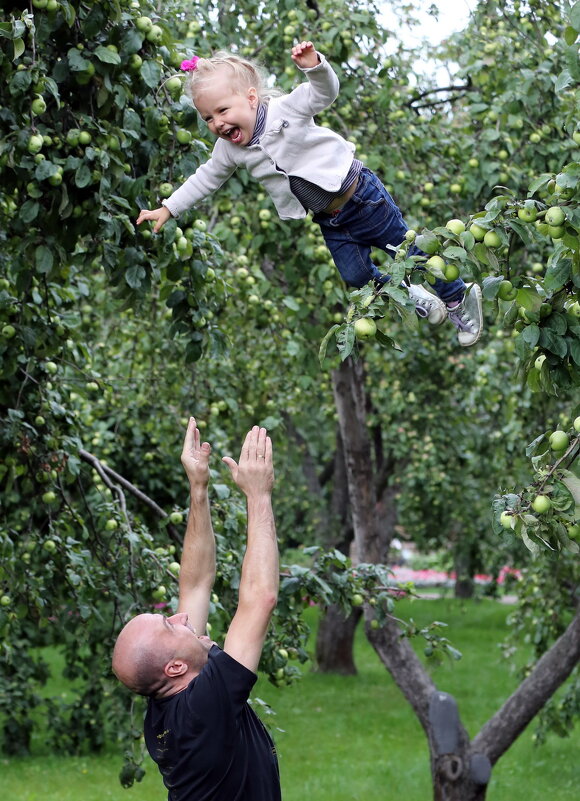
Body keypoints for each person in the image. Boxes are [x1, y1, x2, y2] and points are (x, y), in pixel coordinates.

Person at [136, 40, 483, 347]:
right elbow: (205, 178)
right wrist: (169, 208)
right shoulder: (230, 150)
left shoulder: (286, 109)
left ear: (251, 98)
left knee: (412, 252)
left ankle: (458, 297)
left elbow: (325, 93)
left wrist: (315, 68)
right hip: (331, 221)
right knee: (356, 277)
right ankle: (409, 293)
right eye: (208, 118)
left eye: (223, 110)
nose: (217, 124)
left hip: (363, 198)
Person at [112, 417, 281, 801]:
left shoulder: (171, 700)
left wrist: (199, 488)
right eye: (170, 626)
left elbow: (195, 582)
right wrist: (258, 495)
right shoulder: (203, 711)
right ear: (174, 667)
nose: (180, 616)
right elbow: (260, 599)